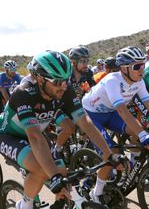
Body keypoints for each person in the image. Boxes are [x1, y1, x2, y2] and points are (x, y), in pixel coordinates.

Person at [0, 51, 122, 209]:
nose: (63, 86)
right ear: (39, 78)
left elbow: (85, 122)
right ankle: (25, 205)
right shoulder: (23, 93)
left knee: (62, 172)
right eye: (57, 81)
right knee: (42, 169)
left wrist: (108, 154)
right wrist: (54, 176)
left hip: (35, 132)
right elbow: (35, 137)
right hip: (10, 135)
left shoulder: (65, 89)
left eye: (66, 80)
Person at [82, 46, 149, 203]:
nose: (142, 69)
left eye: (142, 64)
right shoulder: (112, 80)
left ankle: (134, 164)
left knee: (138, 132)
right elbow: (121, 110)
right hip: (92, 114)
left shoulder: (139, 81)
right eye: (137, 66)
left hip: (110, 112)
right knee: (111, 153)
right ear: (124, 68)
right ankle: (96, 192)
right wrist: (143, 135)